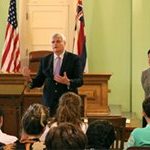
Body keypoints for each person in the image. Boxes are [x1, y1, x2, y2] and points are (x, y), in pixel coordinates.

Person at [23, 33, 83, 117]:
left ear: (64, 43)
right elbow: (39, 81)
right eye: (53, 42)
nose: (55, 44)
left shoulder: (74, 59)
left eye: (58, 41)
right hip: (49, 102)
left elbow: (80, 80)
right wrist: (29, 79)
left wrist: (68, 82)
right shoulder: (45, 60)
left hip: (67, 102)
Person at [141, 49, 150, 127]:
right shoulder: (145, 73)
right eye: (149, 57)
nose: (149, 60)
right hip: (147, 107)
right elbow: (145, 90)